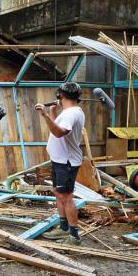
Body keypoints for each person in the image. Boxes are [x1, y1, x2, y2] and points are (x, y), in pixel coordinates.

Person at [35, 82, 86, 245]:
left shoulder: (71, 113)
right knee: (58, 193)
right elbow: (60, 127)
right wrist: (52, 111)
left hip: (67, 162)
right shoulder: (70, 112)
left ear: (60, 95)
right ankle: (63, 227)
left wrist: (44, 115)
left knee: (66, 196)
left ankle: (74, 236)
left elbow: (58, 132)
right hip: (60, 160)